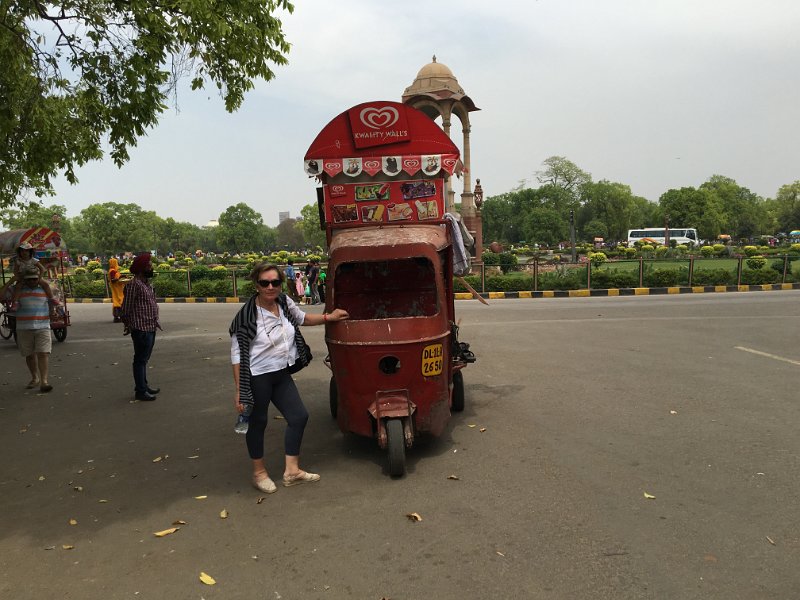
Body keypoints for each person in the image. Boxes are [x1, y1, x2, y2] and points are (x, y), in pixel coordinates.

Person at [229, 263, 349, 494]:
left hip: (281, 372)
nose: (270, 287)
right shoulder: (246, 316)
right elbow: (237, 355)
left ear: (281, 284)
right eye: (265, 283)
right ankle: (259, 473)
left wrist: (330, 317)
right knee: (258, 423)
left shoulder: (284, 302)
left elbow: (302, 318)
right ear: (256, 285)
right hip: (257, 376)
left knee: (298, 416)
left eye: (275, 282)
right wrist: (239, 390)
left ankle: (292, 471)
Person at [120, 253, 161, 401]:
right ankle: (140, 391)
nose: (151, 267)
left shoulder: (146, 284)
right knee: (140, 360)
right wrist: (129, 325)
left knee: (144, 359)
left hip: (150, 326)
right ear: (141, 268)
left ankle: (143, 385)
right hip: (140, 328)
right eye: (149, 265)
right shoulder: (134, 285)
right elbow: (126, 308)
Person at [15, 266, 55, 393]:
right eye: (29, 279)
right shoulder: (18, 289)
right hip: (24, 327)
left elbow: (52, 301)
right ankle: (35, 377)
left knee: (43, 353)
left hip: (43, 326)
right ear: (25, 279)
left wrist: (53, 311)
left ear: (39, 278)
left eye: (34, 279)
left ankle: (44, 381)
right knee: (30, 355)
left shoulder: (45, 287)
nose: (32, 281)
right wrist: (12, 281)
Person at [8, 243, 60, 311]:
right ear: (19, 252)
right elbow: (15, 271)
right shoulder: (18, 261)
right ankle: (15, 302)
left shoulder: (33, 260)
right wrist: (18, 277)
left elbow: (42, 269)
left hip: (34, 276)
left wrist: (40, 278)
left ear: (30, 252)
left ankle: (52, 298)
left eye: (26, 251)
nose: (24, 252)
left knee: (45, 284)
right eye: (22, 251)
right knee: (18, 287)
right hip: (23, 277)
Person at [107, 257, 128, 323]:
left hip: (118, 288)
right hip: (116, 288)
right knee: (118, 301)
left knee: (119, 300)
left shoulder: (114, 270)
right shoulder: (112, 271)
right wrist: (120, 278)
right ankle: (117, 317)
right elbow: (113, 280)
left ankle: (119, 316)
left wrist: (122, 276)